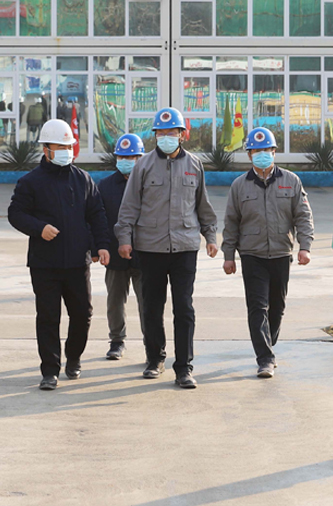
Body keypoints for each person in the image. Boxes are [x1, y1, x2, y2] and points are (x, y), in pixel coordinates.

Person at [114, 107, 219, 389]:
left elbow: (202, 205)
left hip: (185, 247)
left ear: (182, 134)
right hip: (150, 248)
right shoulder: (143, 165)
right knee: (152, 307)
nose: (165, 137)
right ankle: (155, 359)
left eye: (171, 132)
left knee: (184, 308)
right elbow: (129, 207)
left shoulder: (195, 165)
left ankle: (183, 367)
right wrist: (124, 239)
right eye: (160, 133)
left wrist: (210, 236)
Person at [8, 119, 111, 390]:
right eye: (60, 146)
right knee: (48, 317)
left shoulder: (83, 180)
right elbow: (15, 213)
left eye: (69, 146)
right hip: (45, 264)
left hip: (78, 262)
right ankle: (50, 370)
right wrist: (38, 228)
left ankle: (74, 358)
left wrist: (102, 245)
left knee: (82, 313)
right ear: (46, 149)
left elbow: (97, 214)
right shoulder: (30, 182)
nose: (66, 150)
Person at [220, 126, 315, 378]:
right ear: (249, 154)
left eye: (267, 150)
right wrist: (228, 255)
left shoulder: (291, 181)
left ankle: (267, 344)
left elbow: (303, 217)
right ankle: (265, 358)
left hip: (282, 253)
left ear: (274, 152)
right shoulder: (239, 186)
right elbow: (231, 223)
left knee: (277, 307)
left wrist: (305, 246)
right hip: (252, 255)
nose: (262, 154)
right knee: (257, 307)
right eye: (257, 151)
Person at [96, 133, 152, 361]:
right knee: (115, 301)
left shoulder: (150, 183)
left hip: (146, 253)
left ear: (141, 158)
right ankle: (116, 340)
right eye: (122, 156)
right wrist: (98, 248)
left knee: (148, 303)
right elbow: (98, 219)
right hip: (115, 254)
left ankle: (152, 343)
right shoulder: (105, 186)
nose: (127, 160)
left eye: (132, 156)